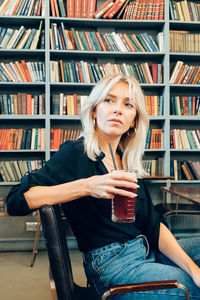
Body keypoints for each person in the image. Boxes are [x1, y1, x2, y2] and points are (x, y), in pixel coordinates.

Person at [6, 74, 200, 299]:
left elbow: (153, 225)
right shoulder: (75, 153)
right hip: (112, 264)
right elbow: (15, 202)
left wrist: (192, 269)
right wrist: (87, 186)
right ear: (94, 111)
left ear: (134, 120)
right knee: (191, 288)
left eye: (128, 104)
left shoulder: (126, 161)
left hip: (145, 249)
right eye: (109, 100)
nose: (118, 109)